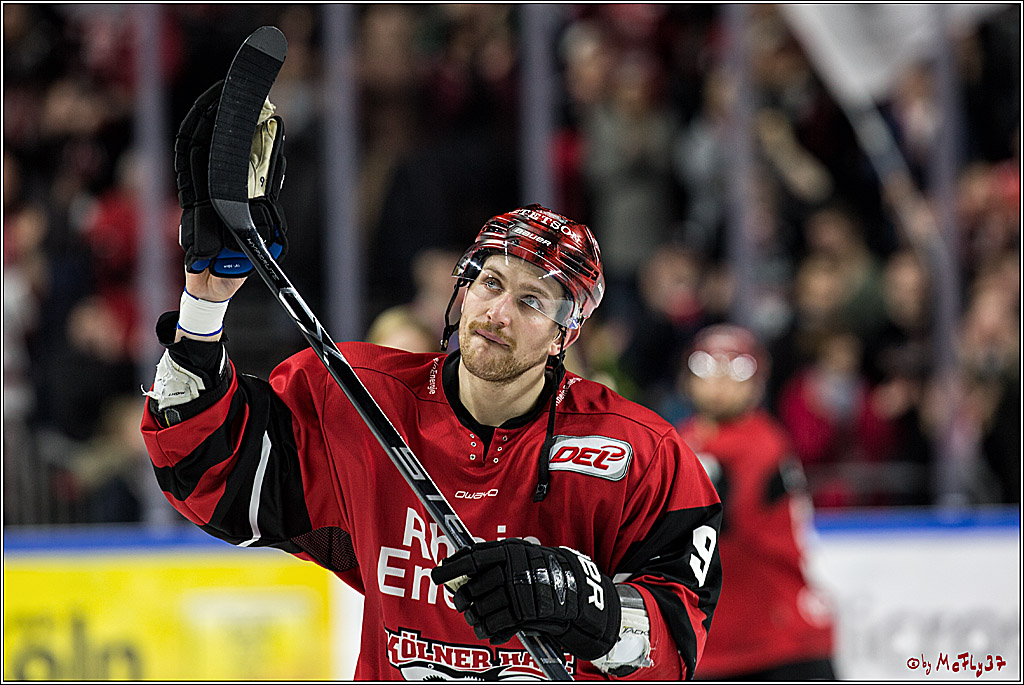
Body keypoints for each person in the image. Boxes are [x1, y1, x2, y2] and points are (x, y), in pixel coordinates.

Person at [140, 82, 722, 681]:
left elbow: (676, 643)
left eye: (532, 301)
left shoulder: (642, 453)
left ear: (565, 335)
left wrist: (584, 606)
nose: (498, 313)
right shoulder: (360, 398)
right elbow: (207, 476)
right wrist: (203, 307)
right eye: (491, 283)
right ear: (463, 290)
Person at [675, 324, 836, 680]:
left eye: (735, 369)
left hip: (776, 641)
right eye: (706, 367)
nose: (719, 381)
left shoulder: (761, 443)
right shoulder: (684, 439)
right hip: (724, 644)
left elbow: (718, 516)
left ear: (757, 382)